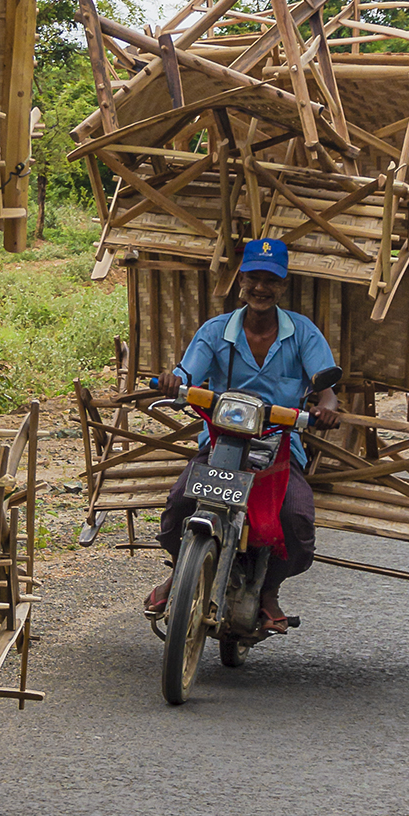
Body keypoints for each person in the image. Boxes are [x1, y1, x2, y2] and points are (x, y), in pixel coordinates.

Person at [146, 238, 342, 632]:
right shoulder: (216, 331)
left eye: (271, 280)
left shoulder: (302, 333)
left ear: (283, 285)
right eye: (254, 277)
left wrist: (326, 407)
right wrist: (175, 382)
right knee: (177, 511)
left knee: (296, 524)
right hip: (221, 444)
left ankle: (269, 589)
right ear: (241, 280)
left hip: (280, 452)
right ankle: (182, 573)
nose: (261, 288)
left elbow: (327, 389)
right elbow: (188, 372)